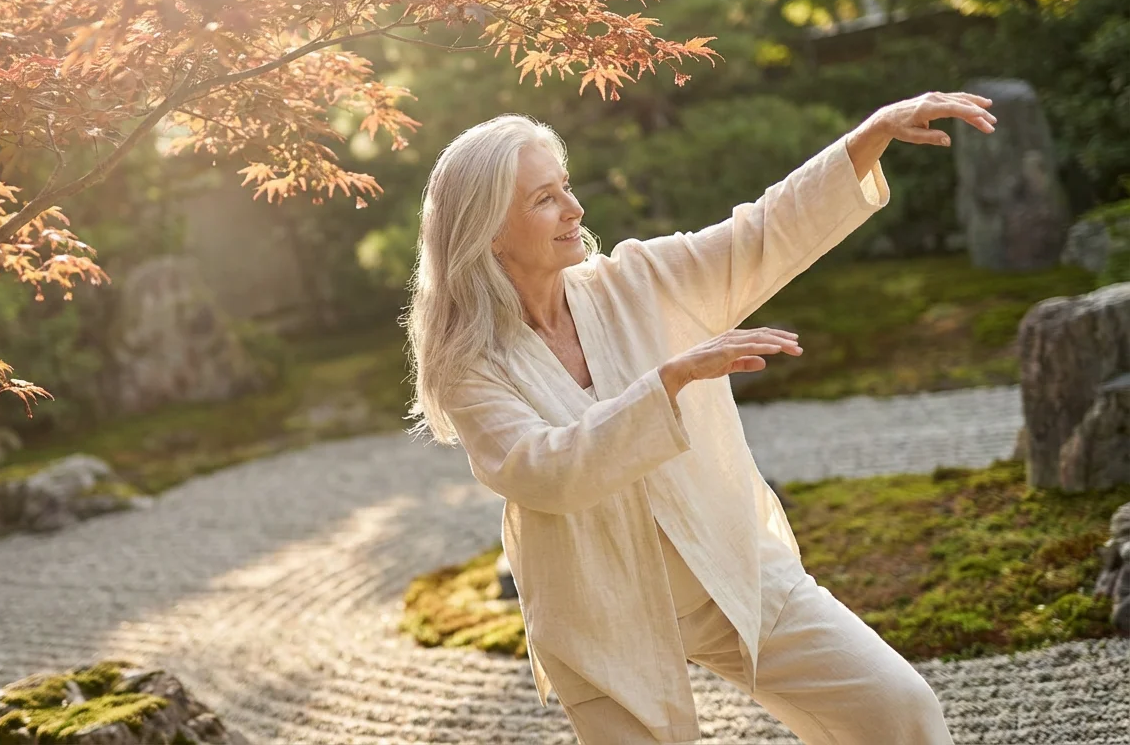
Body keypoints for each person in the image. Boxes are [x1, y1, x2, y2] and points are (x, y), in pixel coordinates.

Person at [401, 92, 998, 744]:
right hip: (601, 610)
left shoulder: (637, 279)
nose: (574, 209)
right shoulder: (470, 364)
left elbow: (758, 234)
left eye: (566, 187)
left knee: (898, 708)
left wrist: (869, 137)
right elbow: (546, 472)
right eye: (544, 199)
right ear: (488, 229)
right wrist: (671, 380)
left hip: (729, 563)